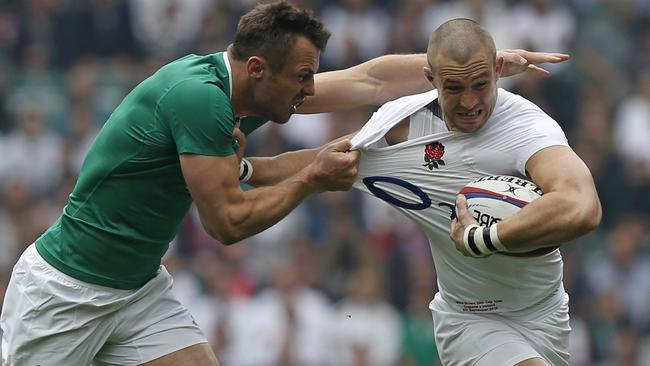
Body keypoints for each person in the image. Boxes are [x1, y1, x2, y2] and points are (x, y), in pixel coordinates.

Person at [0, 0, 570, 365]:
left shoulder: (248, 88)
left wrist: (489, 66)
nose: (309, 90)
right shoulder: (200, 100)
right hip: (66, 293)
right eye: (302, 78)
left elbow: (371, 79)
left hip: (137, 290)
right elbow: (226, 224)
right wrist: (311, 178)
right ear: (257, 70)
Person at [249, 18, 599, 366]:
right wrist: (242, 168)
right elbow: (313, 154)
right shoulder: (404, 125)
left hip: (547, 312)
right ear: (431, 80)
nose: (469, 101)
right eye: (454, 88)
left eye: (480, 84)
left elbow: (582, 206)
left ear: (497, 70)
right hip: (471, 319)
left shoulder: (526, 127)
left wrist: (485, 238)